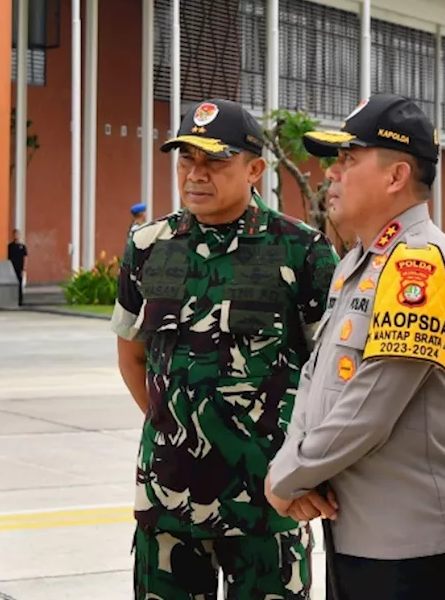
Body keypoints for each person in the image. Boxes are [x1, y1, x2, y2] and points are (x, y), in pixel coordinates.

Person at [265, 93, 445, 600]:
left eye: (347, 160)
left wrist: (289, 474)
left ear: (395, 176)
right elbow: (317, 376)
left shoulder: (420, 262)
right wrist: (298, 467)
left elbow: (373, 403)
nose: (331, 174)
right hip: (365, 534)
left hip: (418, 543)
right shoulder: (359, 263)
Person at [110, 98, 339, 600]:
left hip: (267, 502)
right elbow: (131, 354)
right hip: (168, 497)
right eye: (186, 159)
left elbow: (333, 372)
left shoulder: (302, 250)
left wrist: (307, 464)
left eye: (215, 161)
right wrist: (173, 425)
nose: (196, 174)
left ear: (254, 168)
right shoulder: (149, 244)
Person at [8, 229, 28, 306]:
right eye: (15, 234)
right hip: (11, 269)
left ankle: (20, 300)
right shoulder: (10, 247)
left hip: (20, 268)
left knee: (19, 284)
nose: (16, 236)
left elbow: (25, 258)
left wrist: (24, 269)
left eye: (17, 234)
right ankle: (12, 299)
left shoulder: (22, 247)